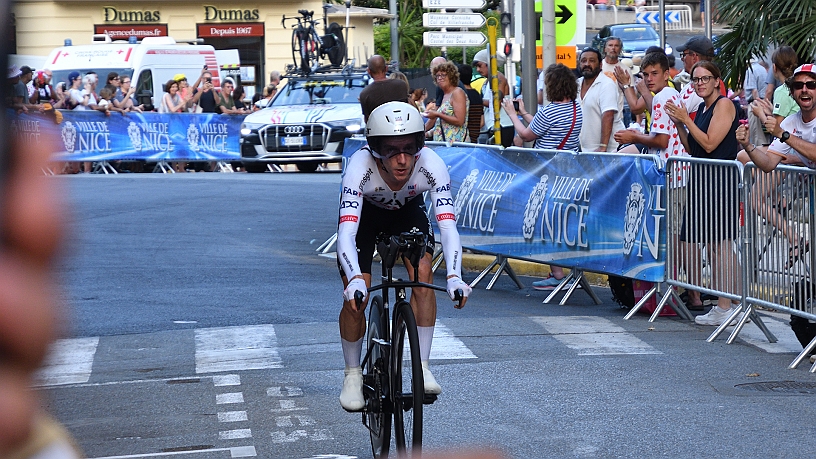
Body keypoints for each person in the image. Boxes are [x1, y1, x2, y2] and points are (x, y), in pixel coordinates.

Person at [336, 101, 471, 411]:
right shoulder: (359, 168)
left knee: (423, 274)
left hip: (408, 213)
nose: (400, 160)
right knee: (358, 295)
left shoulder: (431, 164)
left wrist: (454, 275)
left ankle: (422, 368)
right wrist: (355, 278)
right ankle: (353, 374)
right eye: (390, 150)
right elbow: (345, 235)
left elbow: (448, 227)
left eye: (408, 148)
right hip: (365, 220)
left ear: (419, 146)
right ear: (375, 150)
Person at [665, 60, 742, 326]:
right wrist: (680, 124)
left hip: (719, 181)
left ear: (716, 80)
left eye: (704, 78)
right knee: (712, 245)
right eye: (695, 80)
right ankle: (729, 303)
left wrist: (686, 119)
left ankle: (726, 304)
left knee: (721, 245)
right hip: (702, 179)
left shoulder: (723, 104)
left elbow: (710, 144)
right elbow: (693, 147)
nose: (699, 83)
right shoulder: (702, 108)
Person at [502, 63, 582, 290]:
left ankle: (557, 274)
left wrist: (512, 114)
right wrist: (525, 112)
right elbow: (543, 124)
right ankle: (560, 272)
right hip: (567, 172)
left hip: (546, 172)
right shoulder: (576, 108)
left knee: (546, 222)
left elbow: (527, 134)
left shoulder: (550, 111)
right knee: (561, 222)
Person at [576, 47, 624, 152]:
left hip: (609, 150)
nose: (587, 64)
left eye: (592, 61)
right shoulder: (576, 84)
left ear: (601, 65)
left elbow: (608, 115)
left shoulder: (606, 84)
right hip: (584, 150)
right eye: (583, 61)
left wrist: (603, 147)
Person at [472, 49, 513, 146]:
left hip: (502, 125)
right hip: (495, 126)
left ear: (488, 64)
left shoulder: (498, 78)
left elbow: (496, 104)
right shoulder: (488, 81)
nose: (478, 70)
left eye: (480, 66)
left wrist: (477, 100)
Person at [424, 61, 469, 142]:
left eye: (443, 75)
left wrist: (437, 114)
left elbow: (460, 121)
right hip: (444, 144)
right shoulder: (445, 95)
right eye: (437, 76)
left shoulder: (457, 92)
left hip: (455, 145)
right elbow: (438, 122)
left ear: (451, 77)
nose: (440, 78)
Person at [358, 54, 408, 121]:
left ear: (369, 71)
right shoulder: (401, 85)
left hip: (379, 130)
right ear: (386, 68)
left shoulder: (365, 93)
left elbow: (367, 120)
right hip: (402, 127)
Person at [459, 64, 483, 144]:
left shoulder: (460, 95)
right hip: (474, 139)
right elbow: (482, 122)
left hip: (463, 139)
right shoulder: (477, 95)